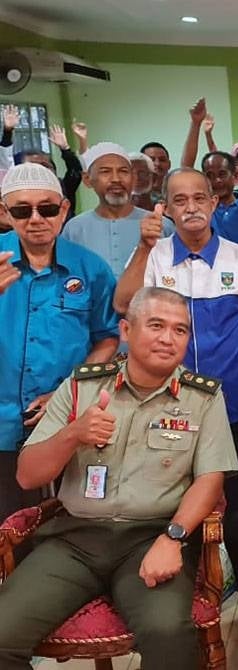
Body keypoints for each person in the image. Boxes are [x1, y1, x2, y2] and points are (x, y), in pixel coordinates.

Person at [0, 287, 238, 670]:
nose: (168, 338)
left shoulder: (203, 398)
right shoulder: (81, 386)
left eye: (180, 330)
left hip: (151, 536)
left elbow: (210, 480)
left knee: (169, 635)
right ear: (126, 330)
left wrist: (174, 537)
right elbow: (28, 476)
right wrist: (73, 434)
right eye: (156, 325)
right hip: (74, 540)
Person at [113, 167, 238, 601]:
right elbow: (122, 305)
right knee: (177, 494)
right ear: (166, 207)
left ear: (213, 203)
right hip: (169, 406)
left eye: (199, 198)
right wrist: (143, 247)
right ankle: (190, 579)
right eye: (180, 200)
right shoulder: (156, 255)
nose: (191, 208)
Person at [0, 163, 119, 521]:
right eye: (22, 210)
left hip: (68, 417)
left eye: (47, 208)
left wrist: (70, 388)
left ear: (64, 209)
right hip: (3, 421)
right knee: (9, 527)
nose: (36, 218)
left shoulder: (91, 268)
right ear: (5, 212)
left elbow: (108, 337)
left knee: (70, 521)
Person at [62, 142, 166, 278]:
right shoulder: (74, 229)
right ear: (87, 180)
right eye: (105, 172)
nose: (116, 179)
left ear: (133, 179)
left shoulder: (160, 224)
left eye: (123, 171)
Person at [201, 151, 238, 245]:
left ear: (235, 175)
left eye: (222, 174)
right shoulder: (202, 210)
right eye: (210, 176)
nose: (217, 180)